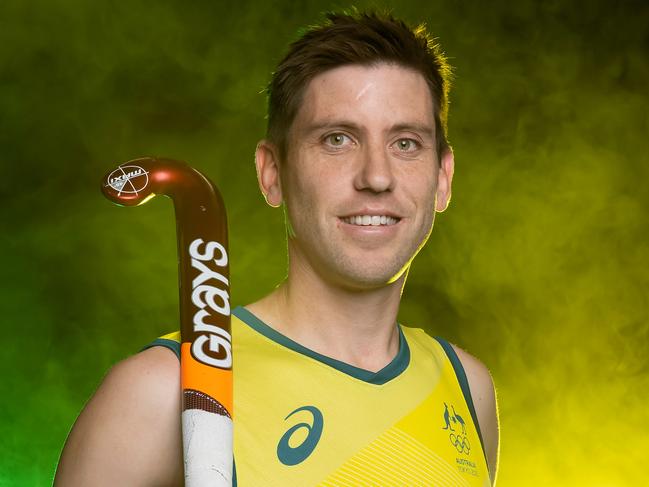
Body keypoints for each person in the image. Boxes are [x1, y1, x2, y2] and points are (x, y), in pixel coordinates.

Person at [55, 10, 499, 486]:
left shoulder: (466, 388)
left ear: (443, 177)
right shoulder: (164, 391)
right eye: (337, 139)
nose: (376, 177)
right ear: (271, 174)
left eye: (406, 143)